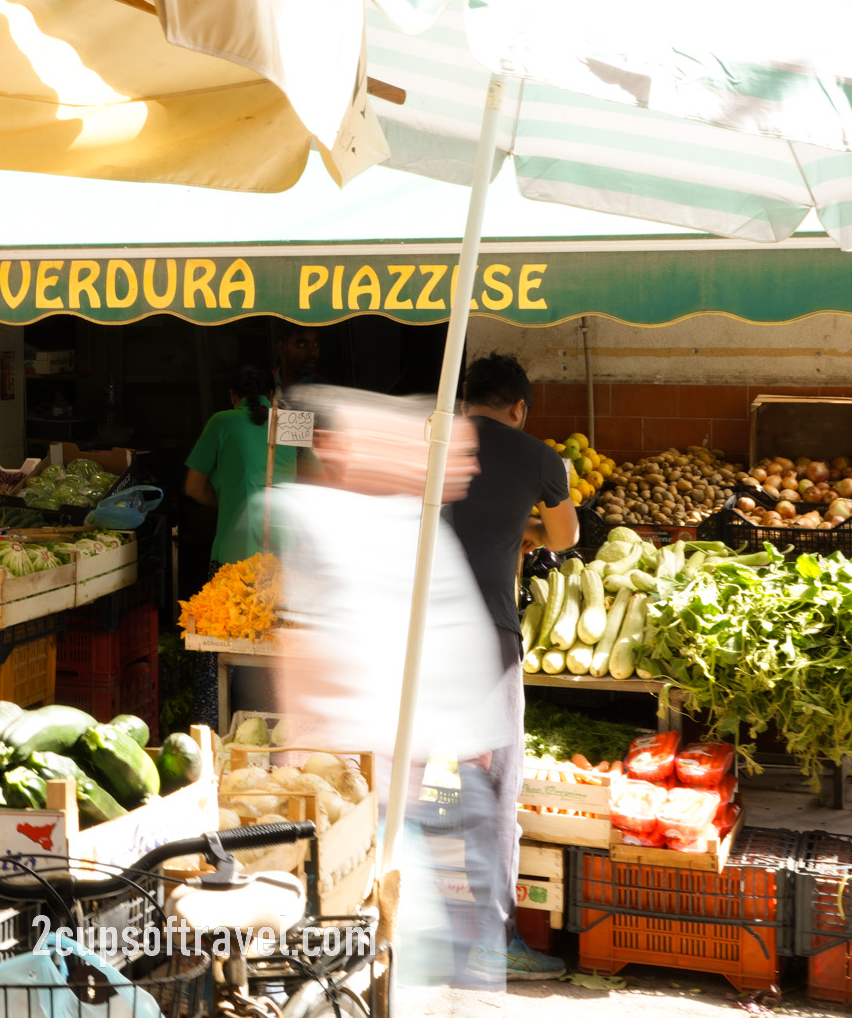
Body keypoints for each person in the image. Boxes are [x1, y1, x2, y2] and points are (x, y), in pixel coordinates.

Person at [267, 387, 509, 988]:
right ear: (352, 450)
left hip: (444, 771)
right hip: (379, 782)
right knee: (402, 942)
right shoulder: (316, 516)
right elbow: (305, 649)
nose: (468, 466)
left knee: (444, 932)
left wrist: (468, 732)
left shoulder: (417, 521)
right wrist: (302, 753)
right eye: (456, 452)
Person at [445, 352, 576, 981]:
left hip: (413, 628)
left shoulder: (434, 443)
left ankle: (377, 922)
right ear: (519, 407)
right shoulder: (538, 456)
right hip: (484, 637)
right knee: (493, 786)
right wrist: (520, 529)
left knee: (396, 775)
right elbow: (566, 538)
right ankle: (492, 944)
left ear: (467, 399)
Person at [183, 366, 296, 565]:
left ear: (233, 396)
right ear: (270, 395)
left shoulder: (221, 421)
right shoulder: (293, 423)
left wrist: (230, 501)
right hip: (289, 553)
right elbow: (318, 478)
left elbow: (193, 488)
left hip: (237, 553)